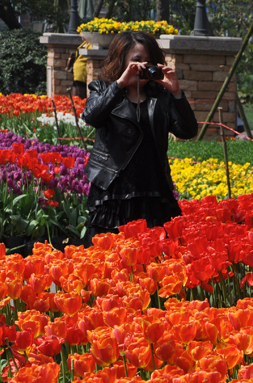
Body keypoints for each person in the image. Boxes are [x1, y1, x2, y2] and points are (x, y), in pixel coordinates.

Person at [81, 31, 198, 240]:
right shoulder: (103, 88)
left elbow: (187, 131)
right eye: (137, 61)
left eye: (148, 62)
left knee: (155, 257)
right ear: (122, 60)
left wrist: (177, 94)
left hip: (153, 191)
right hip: (113, 190)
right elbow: (92, 117)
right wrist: (120, 85)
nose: (143, 66)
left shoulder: (160, 96)